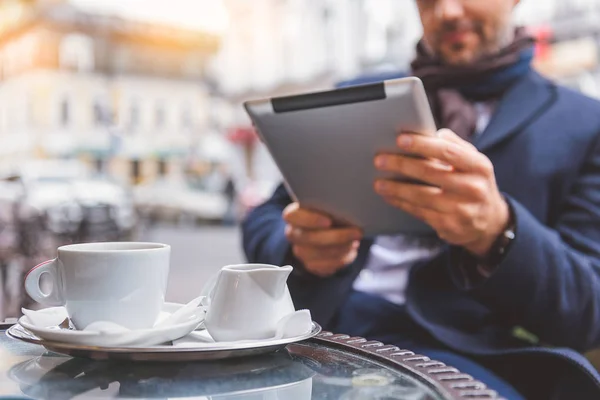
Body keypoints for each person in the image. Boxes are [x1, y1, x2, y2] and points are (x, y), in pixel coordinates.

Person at [242, 0, 600, 398]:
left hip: (466, 356)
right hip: (322, 328)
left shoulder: (585, 123)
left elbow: (588, 310)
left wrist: (500, 233)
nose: (445, 11)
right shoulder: (355, 94)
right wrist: (299, 248)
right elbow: (266, 217)